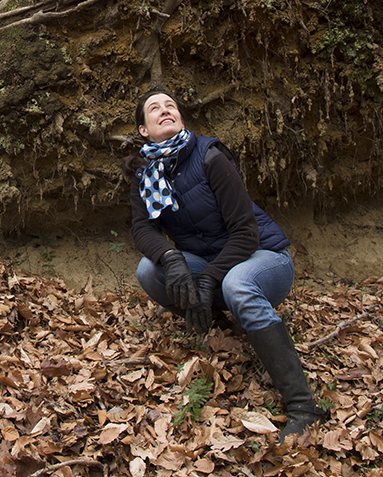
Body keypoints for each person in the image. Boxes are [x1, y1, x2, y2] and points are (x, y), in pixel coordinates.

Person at [128, 89, 327, 442]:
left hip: (263, 258)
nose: (165, 110)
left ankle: (303, 406)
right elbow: (143, 229)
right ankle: (215, 320)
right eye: (154, 109)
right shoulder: (146, 174)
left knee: (236, 283)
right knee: (149, 269)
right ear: (144, 129)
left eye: (171, 105)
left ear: (181, 118)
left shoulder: (210, 156)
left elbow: (246, 233)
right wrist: (171, 257)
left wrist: (209, 280)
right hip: (211, 264)